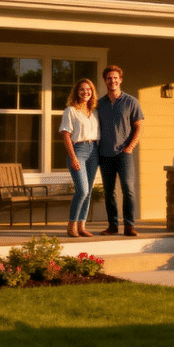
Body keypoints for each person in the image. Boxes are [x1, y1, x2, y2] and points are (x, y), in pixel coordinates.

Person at [96, 65, 144, 237]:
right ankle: (113, 226)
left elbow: (139, 127)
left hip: (124, 154)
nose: (113, 81)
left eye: (115, 78)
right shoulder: (99, 104)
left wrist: (130, 147)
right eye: (109, 78)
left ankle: (129, 226)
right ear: (105, 81)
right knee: (109, 192)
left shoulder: (131, 102)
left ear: (120, 80)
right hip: (105, 154)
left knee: (128, 189)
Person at [59, 78, 99, 238]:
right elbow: (66, 135)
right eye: (82, 89)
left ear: (92, 92)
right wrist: (73, 157)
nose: (85, 92)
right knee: (82, 190)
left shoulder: (94, 112)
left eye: (88, 89)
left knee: (88, 191)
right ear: (77, 92)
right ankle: (71, 225)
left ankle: (82, 226)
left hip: (93, 151)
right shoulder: (70, 111)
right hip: (79, 150)